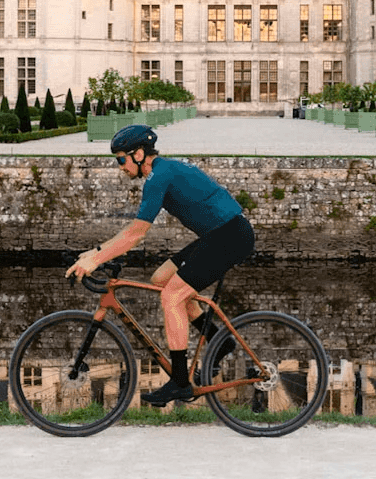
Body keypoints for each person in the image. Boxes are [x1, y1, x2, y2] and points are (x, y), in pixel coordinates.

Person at [67, 123, 254, 406]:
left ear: (139, 154)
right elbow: (133, 230)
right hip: (220, 234)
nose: (120, 166)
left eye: (121, 159)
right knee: (161, 279)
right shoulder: (160, 173)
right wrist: (94, 252)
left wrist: (96, 259)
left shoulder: (158, 177)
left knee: (172, 297)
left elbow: (136, 233)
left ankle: (179, 382)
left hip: (229, 236)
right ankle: (220, 341)